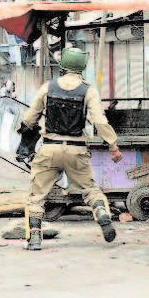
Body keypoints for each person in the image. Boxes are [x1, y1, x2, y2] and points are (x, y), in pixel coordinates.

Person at [19, 47, 123, 250]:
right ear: (82, 66)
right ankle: (102, 215)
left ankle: (34, 239)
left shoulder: (47, 87)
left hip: (49, 149)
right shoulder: (88, 90)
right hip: (77, 150)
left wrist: (27, 132)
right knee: (90, 190)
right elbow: (99, 121)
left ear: (63, 65)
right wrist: (112, 145)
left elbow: (30, 118)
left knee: (37, 195)